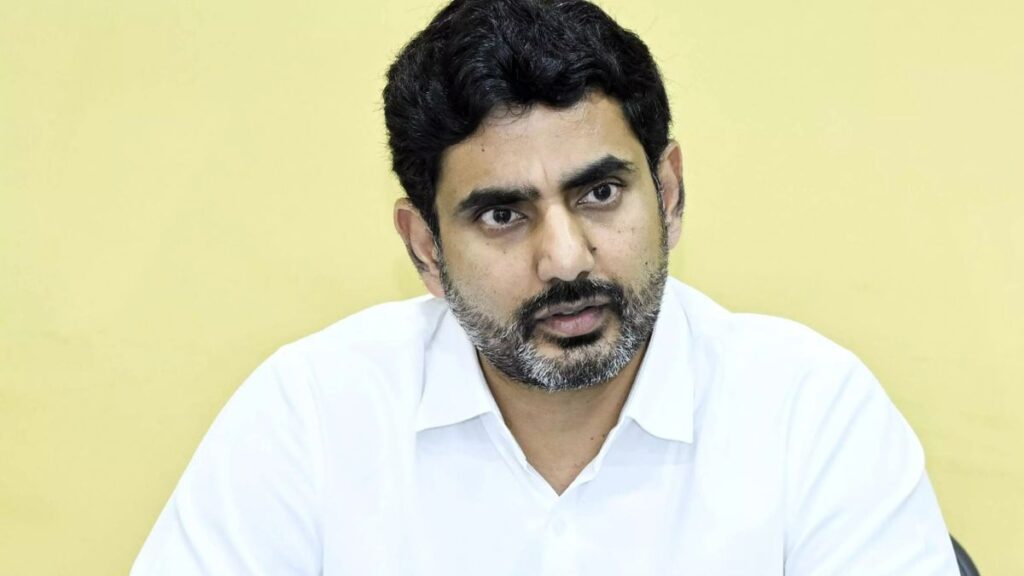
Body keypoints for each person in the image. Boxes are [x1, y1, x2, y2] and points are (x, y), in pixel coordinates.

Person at [132, 0, 961, 574]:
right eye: (502, 214)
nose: (564, 260)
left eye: (599, 193)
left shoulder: (810, 414)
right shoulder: (311, 416)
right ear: (425, 248)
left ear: (669, 194)